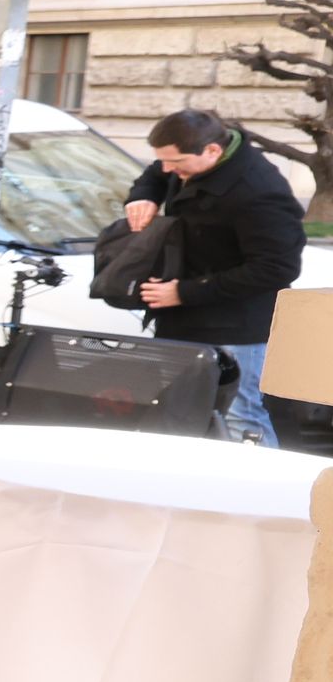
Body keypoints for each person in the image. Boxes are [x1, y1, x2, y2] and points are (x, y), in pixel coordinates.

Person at [125, 107, 308, 447]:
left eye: (176, 163)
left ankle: (261, 496)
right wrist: (142, 196)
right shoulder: (185, 158)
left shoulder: (259, 191)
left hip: (238, 327)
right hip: (180, 319)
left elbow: (277, 268)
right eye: (164, 161)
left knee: (241, 417)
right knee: (174, 413)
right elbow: (156, 172)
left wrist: (186, 292)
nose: (168, 170)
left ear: (212, 151)